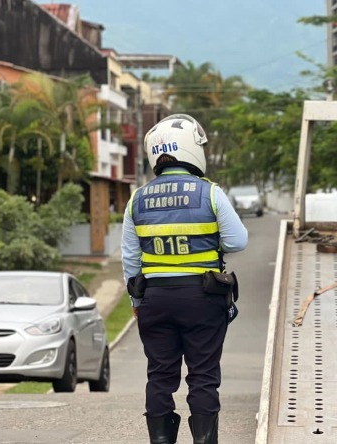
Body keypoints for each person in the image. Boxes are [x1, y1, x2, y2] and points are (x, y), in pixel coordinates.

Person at [122, 114, 248, 444]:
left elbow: (130, 260)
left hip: (155, 300)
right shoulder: (209, 193)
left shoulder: (137, 198)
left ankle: (161, 440)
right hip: (202, 299)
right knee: (203, 375)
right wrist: (210, 242)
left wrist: (137, 303)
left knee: (160, 375)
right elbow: (238, 241)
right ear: (192, 150)